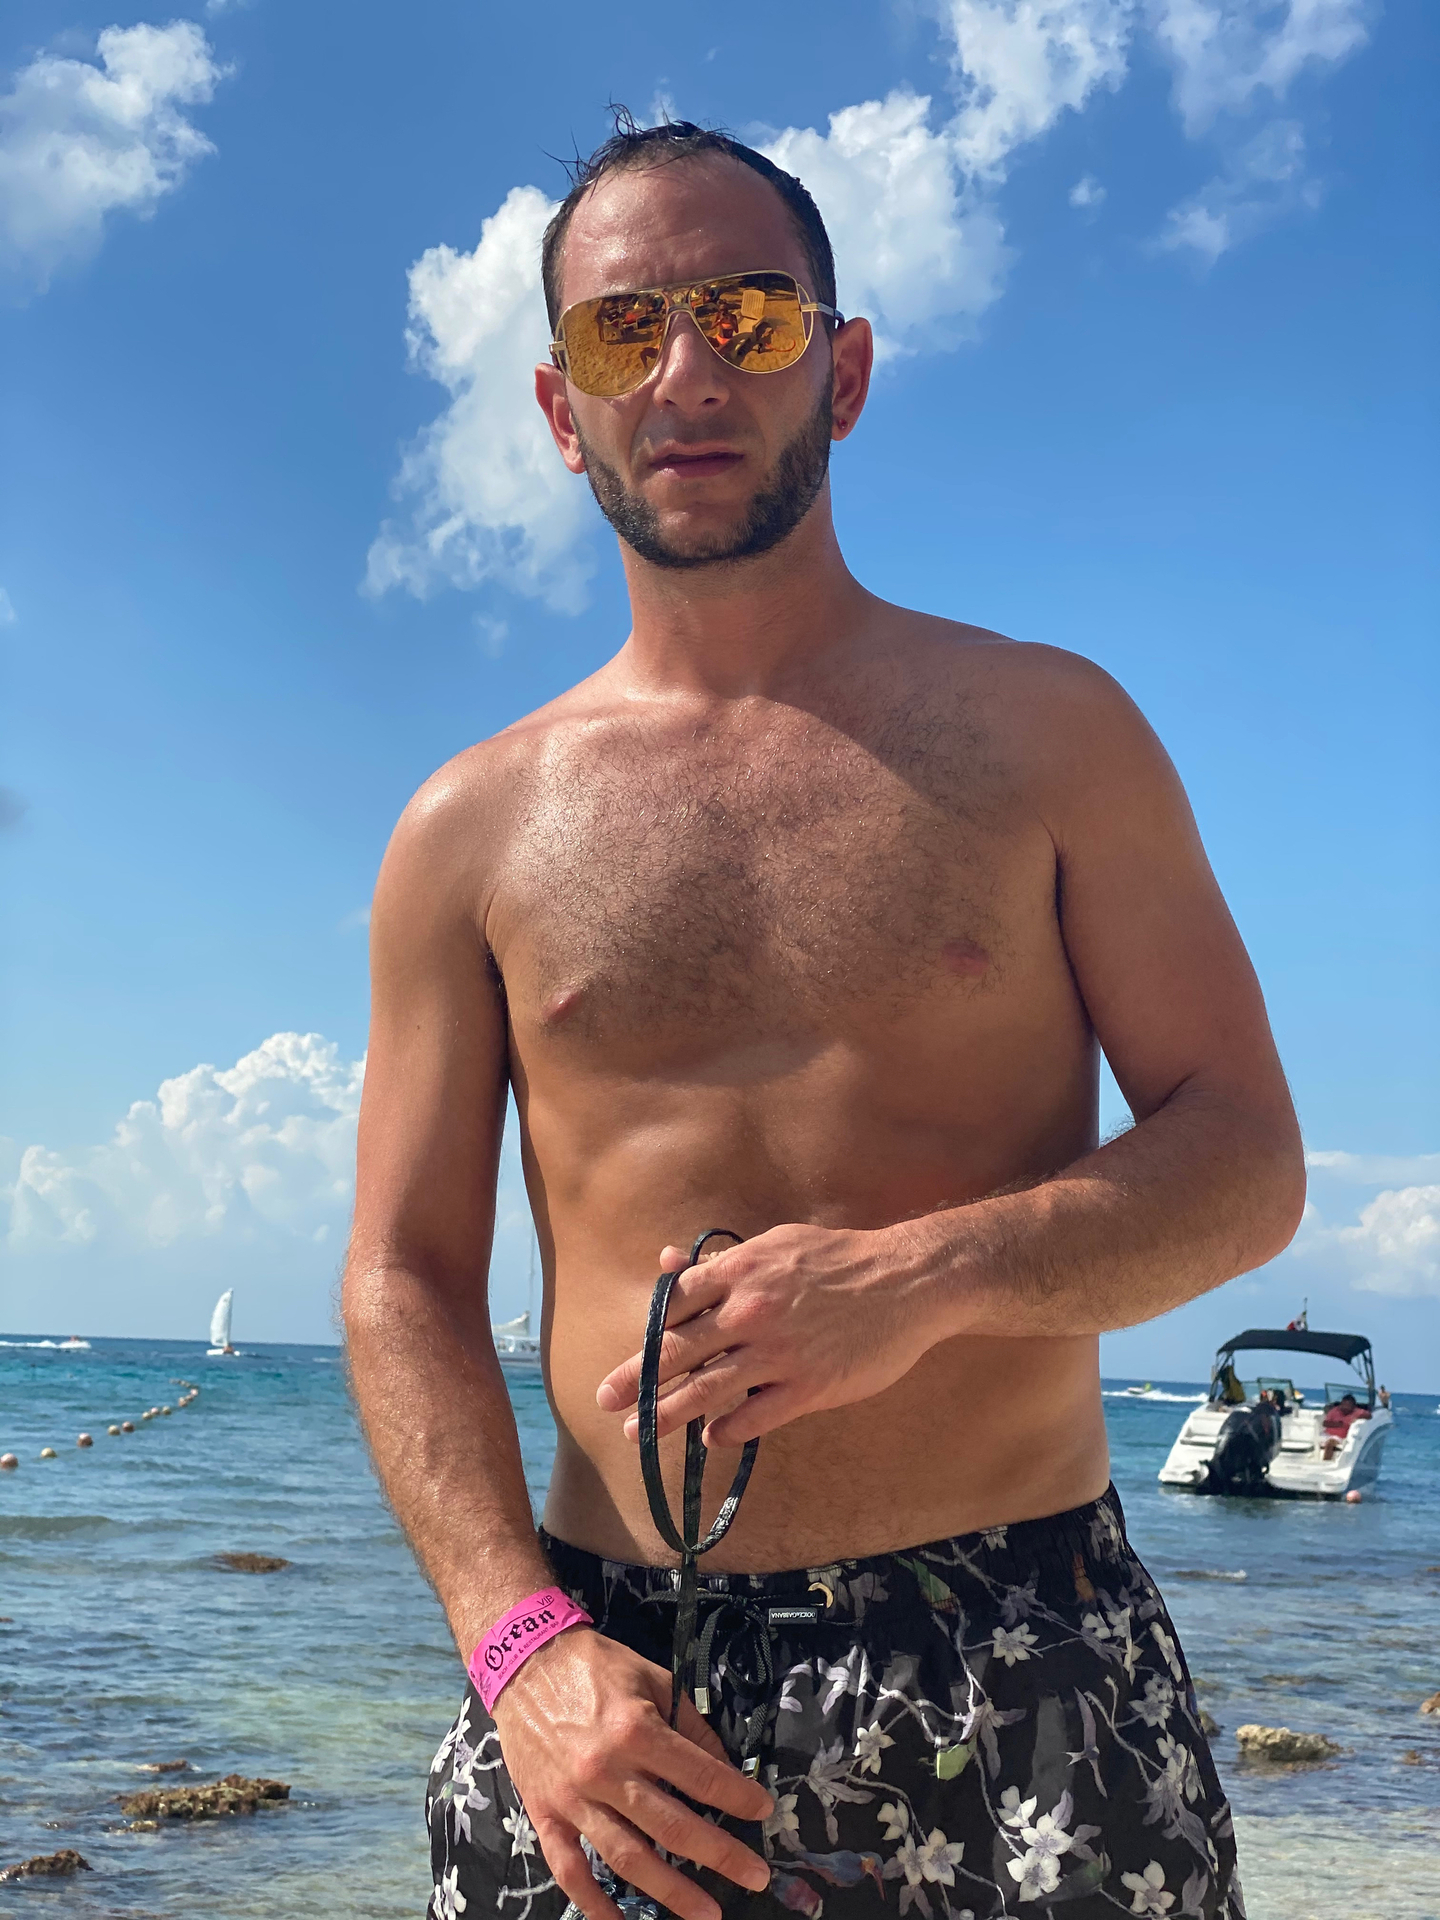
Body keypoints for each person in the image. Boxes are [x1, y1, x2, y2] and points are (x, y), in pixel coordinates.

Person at [343, 115, 1306, 1920]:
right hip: (609, 1689)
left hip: (1025, 1650)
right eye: (624, 330)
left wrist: (921, 1280)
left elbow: (1244, 1157)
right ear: (560, 408)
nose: (688, 373)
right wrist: (514, 1644)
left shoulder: (1051, 736)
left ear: (842, 370)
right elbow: (403, 1278)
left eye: (750, 316)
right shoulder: (467, 831)